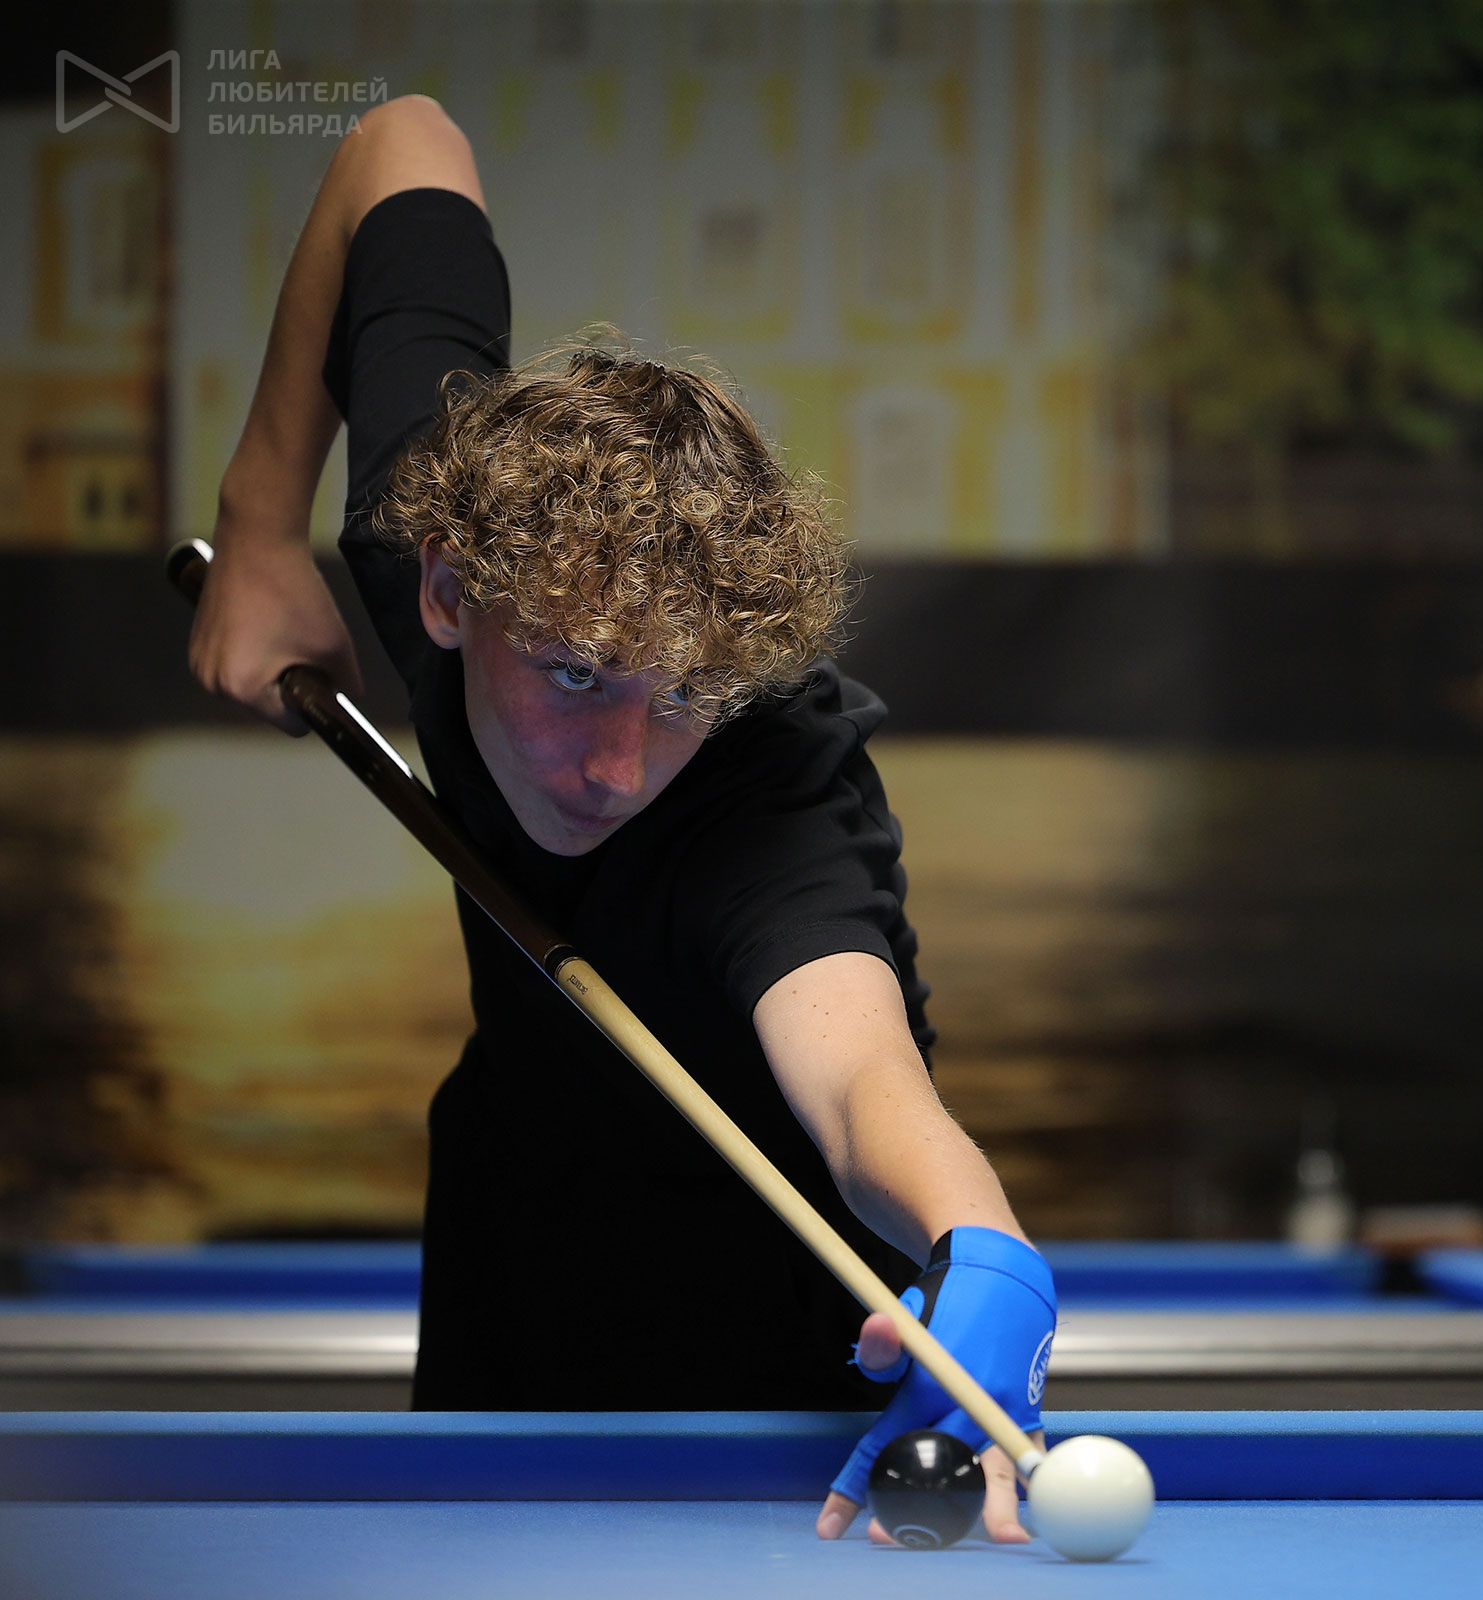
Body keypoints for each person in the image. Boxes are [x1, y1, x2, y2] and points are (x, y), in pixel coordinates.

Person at [187, 96, 1049, 1543]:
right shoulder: (430, 522)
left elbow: (860, 1082)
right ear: (449, 594)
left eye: (684, 693)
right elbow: (401, 140)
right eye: (578, 675)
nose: (620, 766)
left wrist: (989, 1251)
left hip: (793, 1334)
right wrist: (260, 522)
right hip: (511, 1225)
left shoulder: (769, 792)